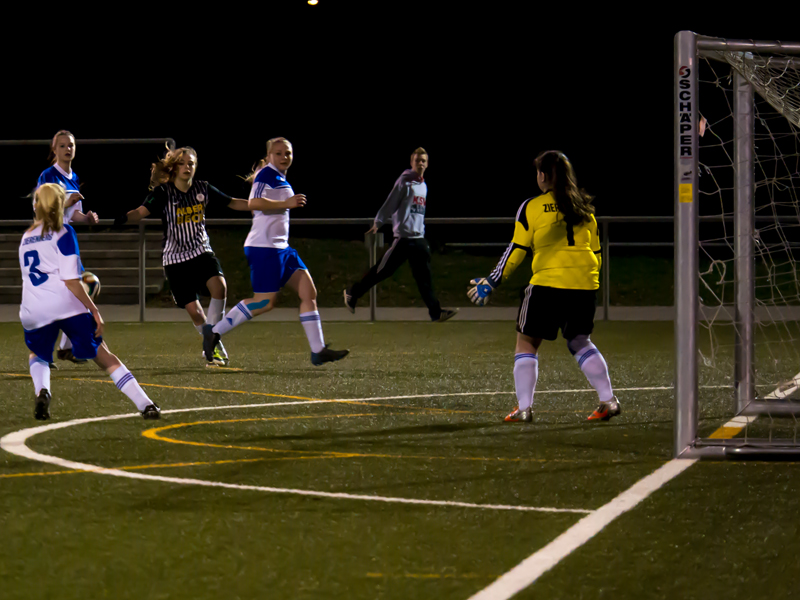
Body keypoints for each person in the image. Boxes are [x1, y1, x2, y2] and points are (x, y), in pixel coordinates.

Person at [467, 150, 620, 422]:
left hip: (547, 284)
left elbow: (517, 249)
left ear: (543, 176)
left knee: (526, 342)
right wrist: (587, 281)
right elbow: (596, 255)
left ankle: (524, 409)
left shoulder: (533, 206)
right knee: (580, 341)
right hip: (584, 285)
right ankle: (609, 401)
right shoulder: (586, 209)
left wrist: (492, 281)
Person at [202, 137, 349, 366]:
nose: (284, 157)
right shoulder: (266, 174)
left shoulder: (279, 177)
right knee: (264, 303)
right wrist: (285, 204)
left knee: (308, 292)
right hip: (264, 248)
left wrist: (283, 205)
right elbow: (253, 203)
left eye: (288, 153)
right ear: (269, 156)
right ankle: (214, 332)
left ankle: (318, 350)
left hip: (282, 248)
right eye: (278, 153)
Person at [20, 184, 160, 420]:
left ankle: (43, 391)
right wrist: (94, 310)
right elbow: (72, 282)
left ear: (36, 206)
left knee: (38, 354)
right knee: (104, 356)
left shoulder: (26, 237)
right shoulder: (64, 232)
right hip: (64, 304)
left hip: (33, 308)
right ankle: (145, 404)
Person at [115, 146, 251, 366]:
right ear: (174, 167)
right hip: (175, 260)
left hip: (200, 252)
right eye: (183, 163)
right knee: (197, 314)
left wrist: (259, 206)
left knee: (220, 287)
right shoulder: (163, 193)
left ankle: (213, 342)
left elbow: (232, 201)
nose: (187, 167)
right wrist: (121, 218)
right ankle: (213, 344)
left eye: (191, 163)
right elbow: (140, 212)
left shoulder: (203, 188)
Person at [343, 148, 457, 322]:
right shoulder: (404, 182)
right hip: (403, 240)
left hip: (418, 239)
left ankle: (436, 312)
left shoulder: (423, 186)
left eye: (423, 161)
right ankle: (353, 292)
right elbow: (390, 203)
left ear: (427, 164)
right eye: (417, 160)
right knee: (381, 271)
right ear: (411, 162)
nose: (420, 163)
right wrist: (378, 223)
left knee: (424, 279)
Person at [37, 130, 100, 365]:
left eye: (71, 145)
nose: (67, 149)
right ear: (54, 150)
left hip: (66, 240)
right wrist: (65, 201)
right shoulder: (48, 175)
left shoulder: (73, 176)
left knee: (86, 287)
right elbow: (42, 208)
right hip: (50, 240)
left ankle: (65, 347)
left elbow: (74, 215)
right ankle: (45, 352)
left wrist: (88, 218)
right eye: (62, 146)